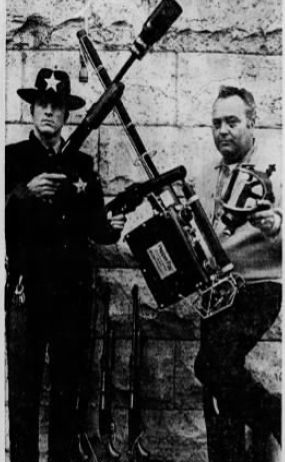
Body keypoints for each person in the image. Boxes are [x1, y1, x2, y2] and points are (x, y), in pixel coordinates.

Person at [5, 67, 126, 462]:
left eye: (57, 107)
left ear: (66, 115)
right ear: (31, 110)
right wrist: (23, 193)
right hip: (26, 289)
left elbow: (95, 227)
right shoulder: (11, 159)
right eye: (42, 104)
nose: (49, 113)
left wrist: (113, 228)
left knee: (67, 391)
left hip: (71, 293)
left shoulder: (82, 165)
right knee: (23, 392)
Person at [193, 86, 282, 461]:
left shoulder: (276, 168)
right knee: (215, 391)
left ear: (252, 121)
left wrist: (276, 224)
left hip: (257, 288)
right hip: (215, 293)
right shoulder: (205, 175)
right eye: (216, 124)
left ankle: (276, 416)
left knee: (211, 365)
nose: (223, 131)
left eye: (231, 121)